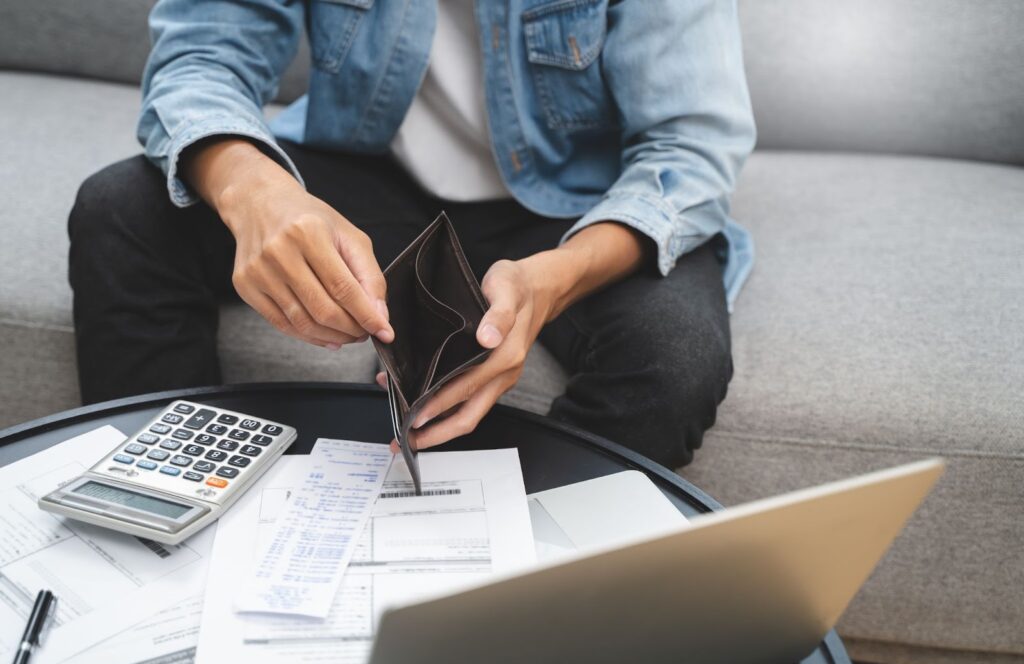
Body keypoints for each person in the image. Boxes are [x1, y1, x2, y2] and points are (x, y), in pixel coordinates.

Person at [68, 0, 755, 470]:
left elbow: (688, 148)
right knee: (123, 212)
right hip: (374, 175)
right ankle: (165, 530)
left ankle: (511, 594)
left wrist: (554, 280)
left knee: (673, 360)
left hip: (578, 211)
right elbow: (202, 54)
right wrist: (255, 191)